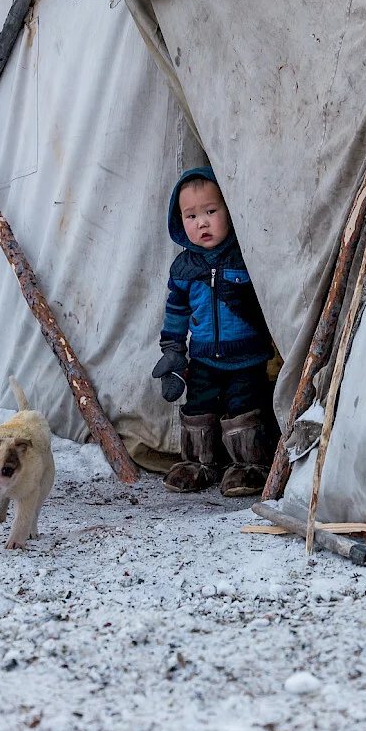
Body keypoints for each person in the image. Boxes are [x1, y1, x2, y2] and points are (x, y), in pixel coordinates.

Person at [151, 167, 277, 497]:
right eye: (191, 216)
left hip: (246, 357)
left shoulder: (245, 257)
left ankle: (249, 465)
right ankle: (197, 463)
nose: (202, 223)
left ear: (229, 210)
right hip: (204, 357)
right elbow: (176, 311)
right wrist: (173, 350)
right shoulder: (184, 268)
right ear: (179, 220)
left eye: (210, 211)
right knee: (199, 407)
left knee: (244, 408)